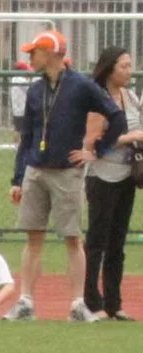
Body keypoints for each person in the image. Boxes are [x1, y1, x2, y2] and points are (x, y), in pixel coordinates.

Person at [11, 29, 117, 321]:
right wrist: (18, 178)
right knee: (33, 238)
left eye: (34, 52)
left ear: (51, 53)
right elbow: (27, 137)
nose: (30, 57)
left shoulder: (81, 85)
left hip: (66, 173)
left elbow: (115, 115)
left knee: (71, 238)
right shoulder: (35, 89)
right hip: (36, 171)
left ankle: (77, 305)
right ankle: (25, 302)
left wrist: (96, 151)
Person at [83, 47, 142, 320]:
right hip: (102, 176)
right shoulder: (98, 98)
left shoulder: (130, 97)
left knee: (117, 243)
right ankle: (91, 302)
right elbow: (92, 143)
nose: (129, 71)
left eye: (130, 65)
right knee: (97, 241)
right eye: (124, 66)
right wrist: (130, 138)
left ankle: (113, 303)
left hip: (126, 176)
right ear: (109, 69)